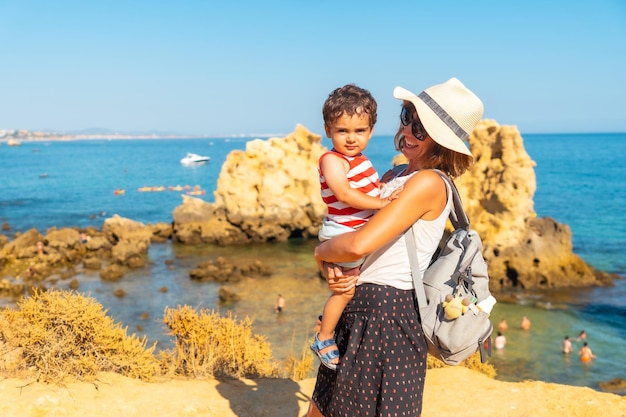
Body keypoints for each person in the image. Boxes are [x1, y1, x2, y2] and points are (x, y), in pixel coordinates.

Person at [307, 77, 484, 417]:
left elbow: (358, 242)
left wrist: (320, 252)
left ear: (441, 142)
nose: (409, 130)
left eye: (421, 127)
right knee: (321, 410)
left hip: (387, 315)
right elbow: (354, 244)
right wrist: (332, 269)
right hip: (359, 307)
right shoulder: (391, 177)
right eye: (407, 117)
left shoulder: (428, 182)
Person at [311, 84, 401, 371]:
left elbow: (366, 189)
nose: (351, 138)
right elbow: (344, 194)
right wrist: (383, 203)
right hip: (342, 232)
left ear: (371, 130)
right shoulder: (332, 160)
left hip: (352, 231)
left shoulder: (360, 160)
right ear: (328, 130)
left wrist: (381, 190)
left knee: (350, 285)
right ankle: (324, 335)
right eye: (342, 131)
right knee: (346, 291)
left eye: (359, 131)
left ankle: (333, 324)